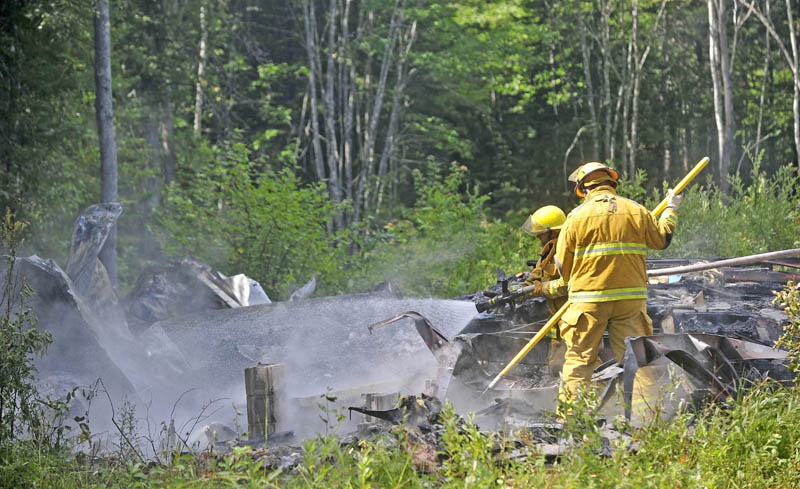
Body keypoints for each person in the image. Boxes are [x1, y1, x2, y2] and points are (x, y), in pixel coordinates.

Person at [554, 162, 681, 405]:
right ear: (612, 183)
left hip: (587, 302)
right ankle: (646, 418)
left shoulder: (575, 217)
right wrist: (672, 208)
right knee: (637, 359)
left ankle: (571, 419)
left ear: (584, 189)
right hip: (629, 302)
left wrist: (575, 283)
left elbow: (562, 264)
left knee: (580, 359)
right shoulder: (637, 211)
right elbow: (662, 239)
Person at [521, 205, 569, 375]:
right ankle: (558, 397)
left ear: (553, 231)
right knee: (556, 366)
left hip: (572, 317)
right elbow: (537, 275)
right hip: (557, 319)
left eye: (541, 232)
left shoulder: (566, 250)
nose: (538, 236)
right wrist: (520, 290)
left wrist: (541, 289)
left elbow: (569, 285)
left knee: (578, 363)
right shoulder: (549, 250)